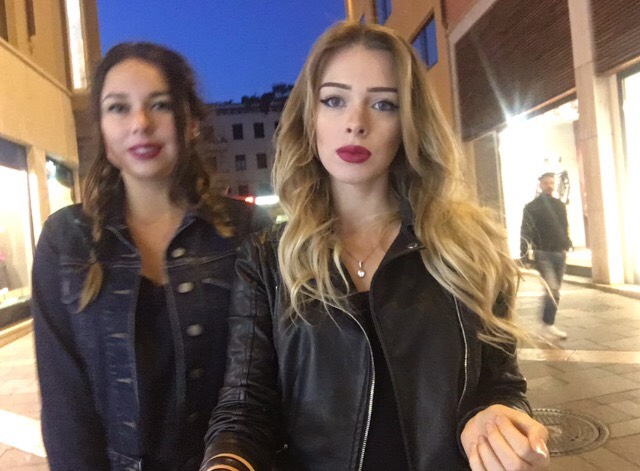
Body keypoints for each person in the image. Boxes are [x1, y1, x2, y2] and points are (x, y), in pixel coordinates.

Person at [201, 22, 549, 471]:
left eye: (384, 104)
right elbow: (245, 409)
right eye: (334, 100)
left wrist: (499, 418)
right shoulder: (268, 259)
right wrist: (226, 463)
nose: (356, 123)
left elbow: (502, 384)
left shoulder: (469, 249)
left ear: (408, 123)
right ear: (309, 117)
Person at [31, 42, 270, 470]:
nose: (140, 123)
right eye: (118, 108)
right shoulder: (66, 240)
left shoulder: (247, 231)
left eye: (160, 105)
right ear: (102, 131)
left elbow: (266, 388)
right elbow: (66, 411)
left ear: (191, 122)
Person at [520, 172, 572, 340]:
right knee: (552, 289)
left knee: (555, 290)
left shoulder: (559, 205)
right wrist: (524, 255)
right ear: (540, 185)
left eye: (552, 182)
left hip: (559, 252)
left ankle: (547, 324)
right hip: (543, 253)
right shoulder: (532, 207)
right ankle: (547, 325)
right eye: (546, 182)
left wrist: (567, 243)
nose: (549, 185)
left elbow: (564, 226)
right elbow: (525, 231)